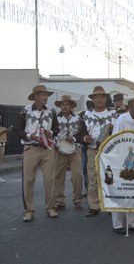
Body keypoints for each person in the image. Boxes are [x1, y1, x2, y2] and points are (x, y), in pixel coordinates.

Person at [14, 85, 60, 222]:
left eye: (46, 95)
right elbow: (17, 130)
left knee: (50, 179)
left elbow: (56, 128)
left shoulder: (51, 110)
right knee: (28, 180)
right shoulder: (25, 111)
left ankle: (50, 207)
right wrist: (28, 135)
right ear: (35, 97)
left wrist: (50, 133)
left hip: (47, 148)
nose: (45, 97)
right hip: (31, 148)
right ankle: (29, 210)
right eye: (42, 95)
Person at [76, 86, 118, 217]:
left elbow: (121, 132)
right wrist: (84, 138)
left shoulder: (114, 114)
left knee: (110, 178)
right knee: (93, 179)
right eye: (96, 97)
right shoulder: (85, 115)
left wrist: (111, 130)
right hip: (92, 150)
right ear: (93, 99)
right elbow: (79, 133)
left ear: (106, 99)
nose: (99, 99)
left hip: (110, 152)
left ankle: (110, 205)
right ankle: (94, 206)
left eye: (102, 97)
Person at [111, 95, 134, 235]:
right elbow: (114, 139)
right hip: (120, 158)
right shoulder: (121, 119)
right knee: (119, 191)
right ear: (129, 105)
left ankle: (133, 223)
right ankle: (117, 224)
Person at [53, 95, 83, 210]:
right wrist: (56, 144)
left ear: (71, 106)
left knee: (77, 175)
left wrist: (74, 139)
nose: (64, 106)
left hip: (75, 149)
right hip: (59, 151)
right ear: (60, 106)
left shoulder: (78, 118)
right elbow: (53, 133)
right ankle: (59, 201)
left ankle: (77, 200)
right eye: (62, 104)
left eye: (67, 104)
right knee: (58, 176)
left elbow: (81, 133)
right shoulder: (54, 118)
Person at [79, 100, 94, 197]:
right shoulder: (83, 115)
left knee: (87, 170)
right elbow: (80, 131)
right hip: (86, 147)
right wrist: (84, 138)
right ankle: (89, 190)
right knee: (86, 170)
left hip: (88, 147)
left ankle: (90, 191)